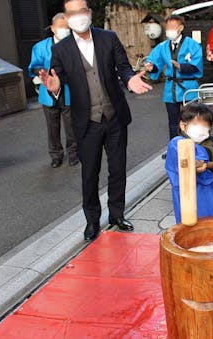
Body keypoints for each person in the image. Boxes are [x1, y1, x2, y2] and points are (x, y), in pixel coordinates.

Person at [38, 0, 153, 241]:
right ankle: (92, 222)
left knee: (118, 169)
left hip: (114, 117)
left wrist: (130, 79)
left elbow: (123, 67)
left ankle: (117, 215)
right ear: (67, 18)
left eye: (82, 11)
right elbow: (57, 82)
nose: (78, 16)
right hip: (86, 121)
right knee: (89, 174)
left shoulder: (108, 38)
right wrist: (55, 88)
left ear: (89, 13)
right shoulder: (61, 50)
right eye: (72, 13)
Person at [165, 103, 213, 223]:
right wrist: (201, 166)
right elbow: (189, 163)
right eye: (195, 124)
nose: (201, 129)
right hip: (193, 193)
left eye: (205, 126)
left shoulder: (211, 141)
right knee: (198, 226)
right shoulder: (177, 142)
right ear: (183, 125)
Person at [28, 13, 77, 168]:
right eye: (62, 27)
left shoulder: (75, 44)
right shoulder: (41, 47)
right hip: (48, 91)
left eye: (67, 27)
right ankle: (56, 155)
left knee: (72, 126)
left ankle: (74, 154)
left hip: (69, 90)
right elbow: (33, 66)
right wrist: (41, 72)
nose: (65, 30)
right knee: (52, 126)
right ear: (53, 28)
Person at [145, 15, 203, 139]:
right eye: (168, 27)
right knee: (173, 122)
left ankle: (195, 147)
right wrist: (151, 67)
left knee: (192, 120)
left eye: (172, 27)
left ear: (181, 28)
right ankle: (175, 148)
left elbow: (197, 65)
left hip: (189, 87)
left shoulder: (192, 45)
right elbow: (155, 61)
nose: (169, 30)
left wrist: (181, 66)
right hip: (171, 89)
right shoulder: (162, 46)